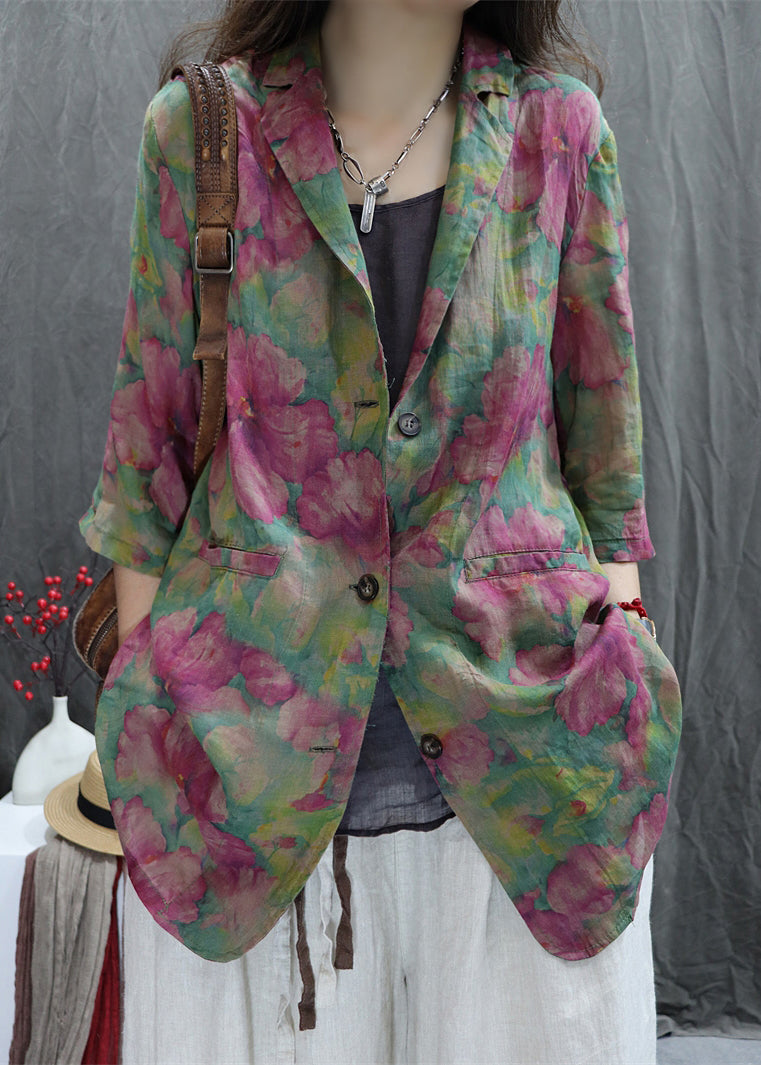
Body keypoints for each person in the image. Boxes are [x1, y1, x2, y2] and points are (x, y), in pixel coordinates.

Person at [80, 0, 682, 1061]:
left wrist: (623, 687)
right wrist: (148, 711)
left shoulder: (556, 133)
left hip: (530, 775)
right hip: (249, 771)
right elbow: (147, 457)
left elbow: (604, 457)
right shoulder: (202, 134)